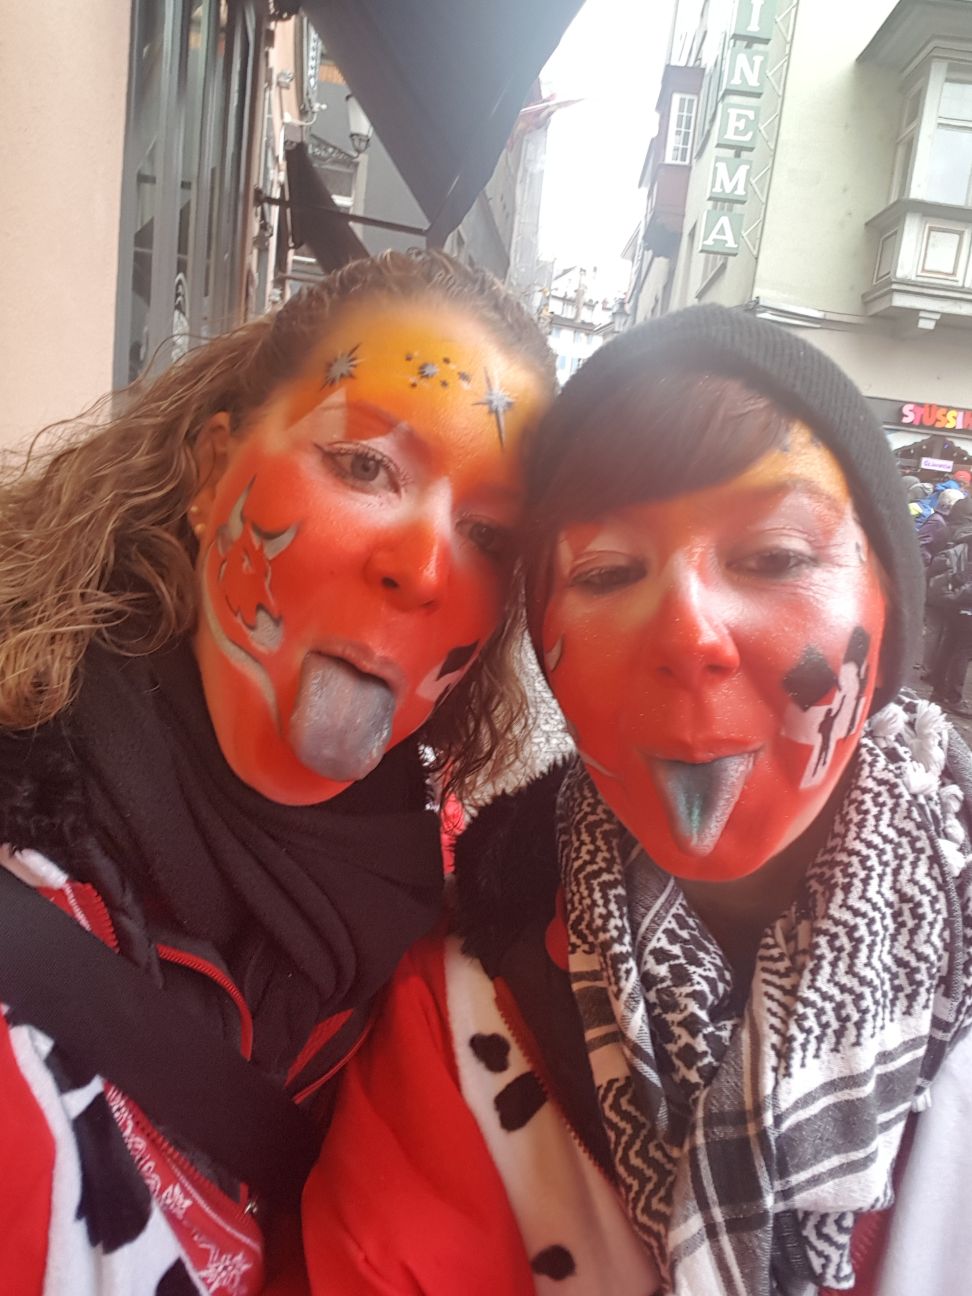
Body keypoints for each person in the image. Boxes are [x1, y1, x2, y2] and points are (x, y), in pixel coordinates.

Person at [301, 305, 972, 1296]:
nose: (686, 634)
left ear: (890, 599)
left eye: (775, 557)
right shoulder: (455, 1013)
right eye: (608, 571)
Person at [0, 250, 553, 1293]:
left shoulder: (456, 934)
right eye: (364, 466)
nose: (424, 568)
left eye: (487, 533)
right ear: (212, 474)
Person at [928, 495, 972, 715]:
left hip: (953, 597)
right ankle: (954, 697)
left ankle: (938, 691)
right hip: (966, 601)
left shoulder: (963, 536)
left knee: (949, 644)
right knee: (962, 649)